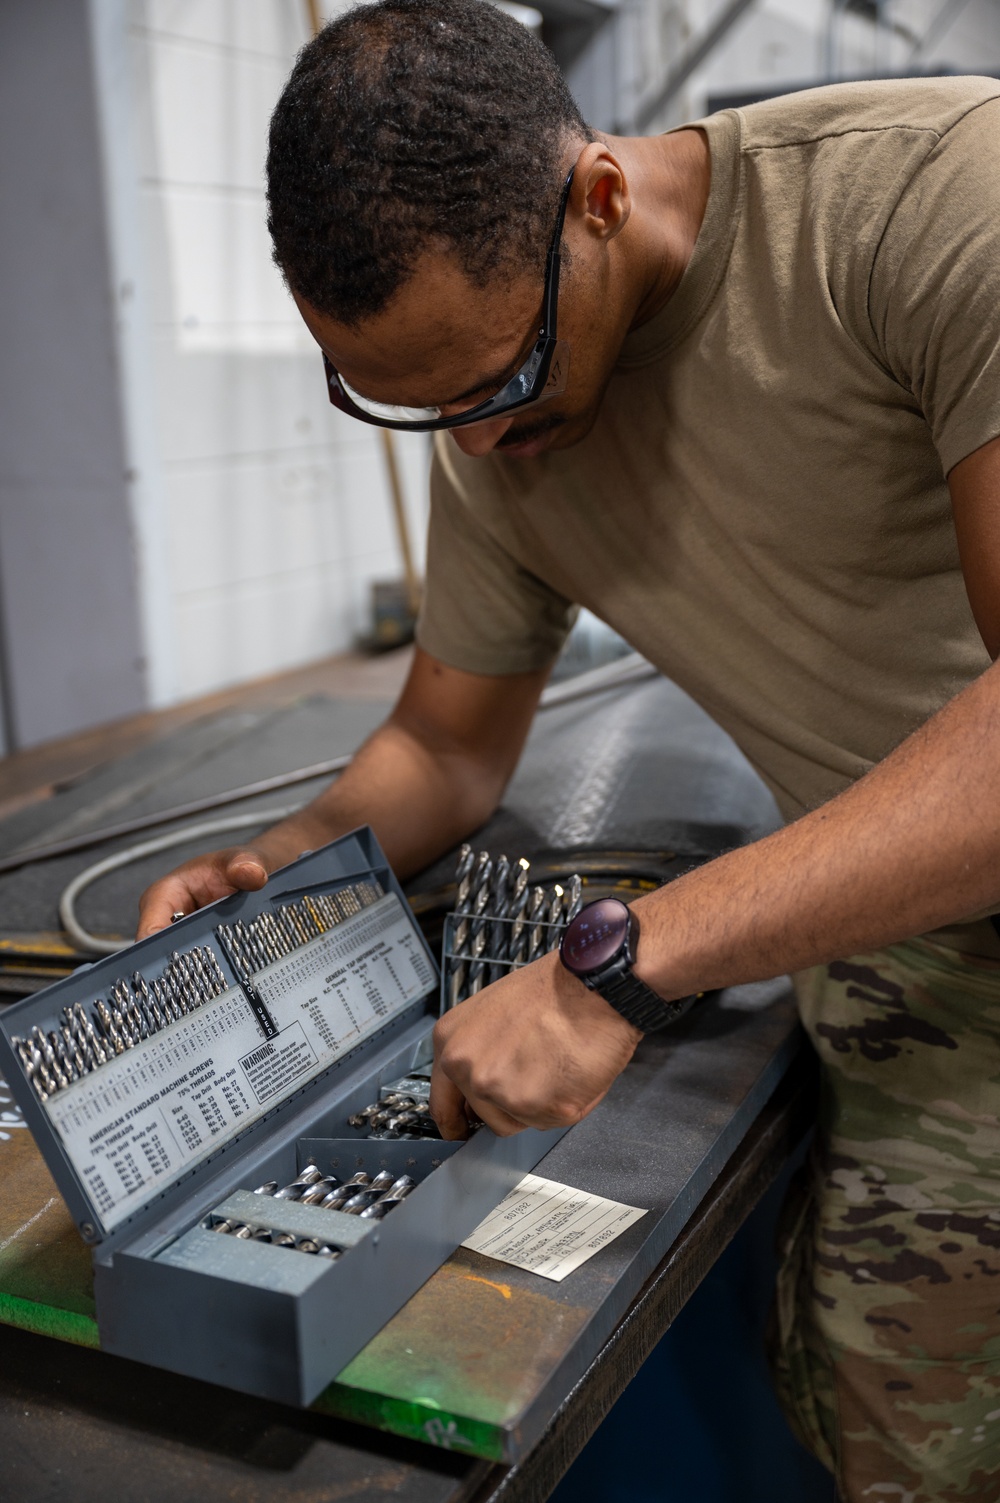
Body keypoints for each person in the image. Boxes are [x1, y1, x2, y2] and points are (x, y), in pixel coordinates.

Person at [137, 2, 1000, 1496]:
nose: (476, 447)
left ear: (599, 197)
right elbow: (444, 744)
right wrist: (281, 872)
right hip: (913, 982)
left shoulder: (931, 199)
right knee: (902, 1438)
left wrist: (621, 961)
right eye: (410, 409)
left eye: (497, 379)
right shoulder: (500, 425)